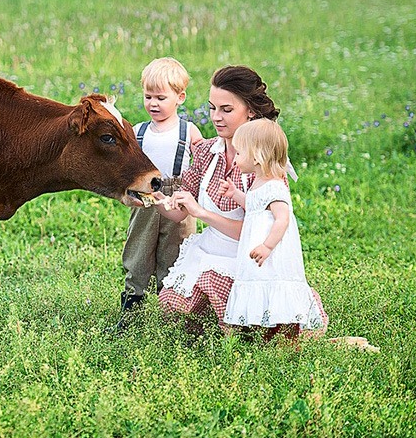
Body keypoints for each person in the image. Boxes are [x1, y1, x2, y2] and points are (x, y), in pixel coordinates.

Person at [153, 65, 281, 332]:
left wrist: (202, 213)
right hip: (209, 252)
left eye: (226, 109)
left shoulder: (265, 162)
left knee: (252, 328)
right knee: (171, 308)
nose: (216, 117)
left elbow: (255, 232)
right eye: (212, 108)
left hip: (249, 258)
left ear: (250, 111)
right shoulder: (206, 152)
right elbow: (178, 211)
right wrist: (152, 196)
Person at [109, 58, 202, 331]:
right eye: (148, 96)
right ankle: (132, 309)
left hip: (178, 198)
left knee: (175, 253)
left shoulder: (188, 131)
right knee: (138, 250)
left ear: (180, 98)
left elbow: (202, 164)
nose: (153, 103)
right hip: (145, 198)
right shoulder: (137, 132)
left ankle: (172, 311)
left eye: (161, 98)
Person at [221, 119, 327, 342]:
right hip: (259, 255)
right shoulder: (258, 183)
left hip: (273, 255)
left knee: (276, 290)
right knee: (262, 289)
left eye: (239, 153)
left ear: (256, 157)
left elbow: (282, 219)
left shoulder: (276, 186)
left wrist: (267, 246)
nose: (236, 158)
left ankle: (286, 339)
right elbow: (253, 205)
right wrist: (235, 194)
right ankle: (266, 335)